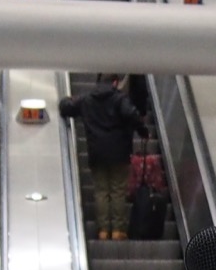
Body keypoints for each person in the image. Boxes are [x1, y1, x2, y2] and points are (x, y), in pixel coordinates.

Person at [59, 75, 150, 239]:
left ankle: (102, 230)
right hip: (120, 153)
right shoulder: (120, 99)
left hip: (97, 153)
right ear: (115, 82)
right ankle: (117, 230)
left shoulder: (87, 99)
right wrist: (143, 130)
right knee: (117, 191)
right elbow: (132, 114)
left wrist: (65, 100)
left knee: (101, 191)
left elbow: (67, 107)